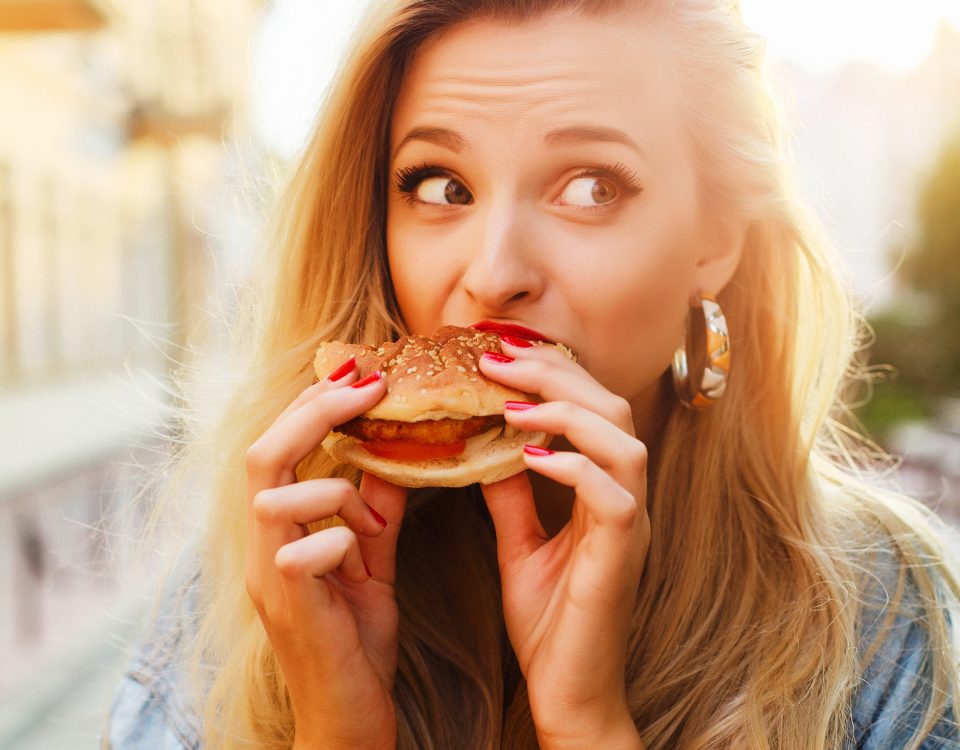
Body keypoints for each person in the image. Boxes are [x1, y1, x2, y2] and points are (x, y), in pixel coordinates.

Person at [105, 0, 960, 748]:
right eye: (440, 185)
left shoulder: (885, 615)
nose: (493, 271)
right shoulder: (259, 589)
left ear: (714, 240)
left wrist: (588, 727)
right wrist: (337, 733)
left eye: (590, 187)